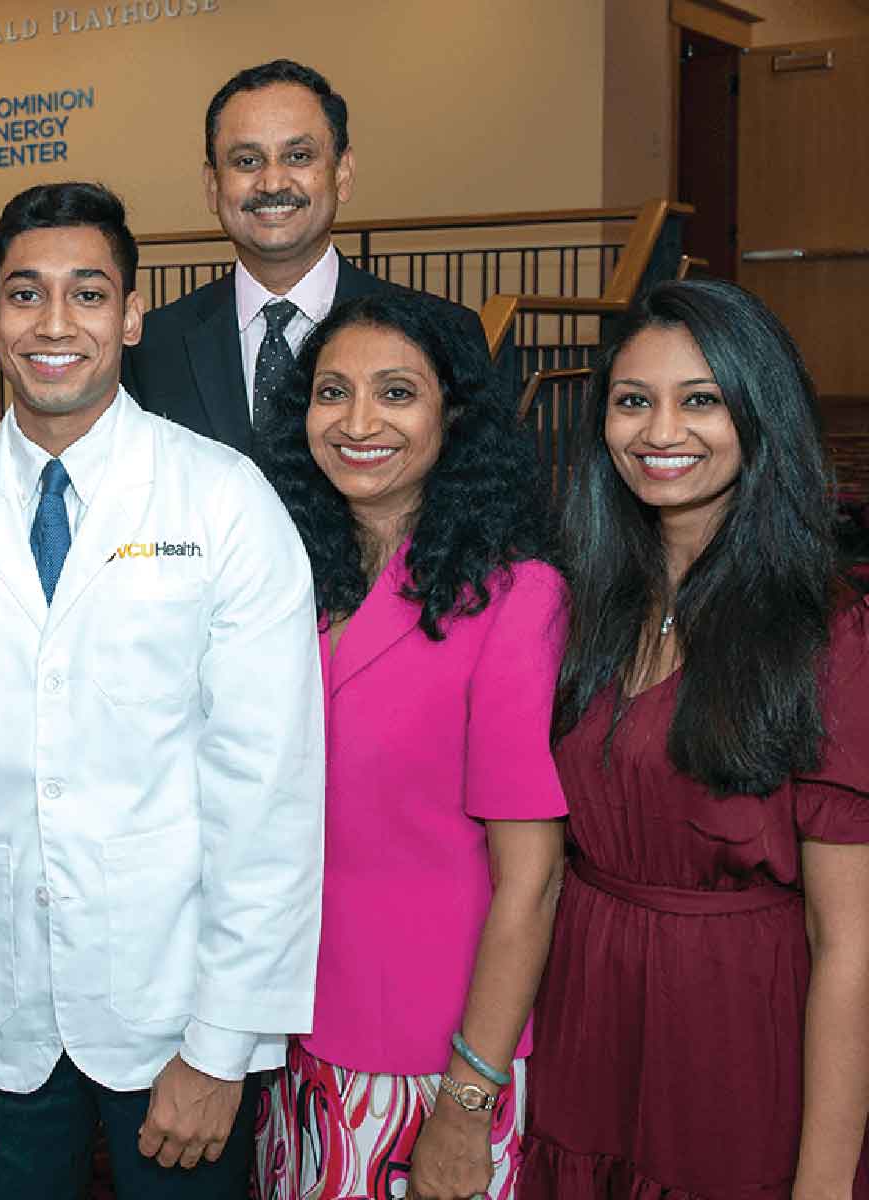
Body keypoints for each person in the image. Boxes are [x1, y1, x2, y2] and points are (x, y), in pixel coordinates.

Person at [0, 181, 324, 1199]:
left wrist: (223, 1041)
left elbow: (269, 794)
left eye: (87, 293)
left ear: (132, 312)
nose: (55, 324)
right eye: (24, 295)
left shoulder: (223, 501)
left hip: (176, 1014)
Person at [522, 279, 869, 1198]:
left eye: (700, 400)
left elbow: (852, 946)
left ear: (759, 413)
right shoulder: (584, 607)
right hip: (585, 1030)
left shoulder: (829, 634)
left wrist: (826, 1183)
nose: (659, 431)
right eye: (633, 401)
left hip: (736, 1050)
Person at [251, 291, 568, 1200]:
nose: (358, 423)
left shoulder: (517, 596)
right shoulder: (283, 577)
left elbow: (532, 879)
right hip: (287, 1038)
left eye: (396, 393)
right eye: (332, 392)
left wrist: (467, 1103)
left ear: (452, 414)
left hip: (430, 1059)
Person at [123, 58, 487, 454]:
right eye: (247, 161)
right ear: (213, 186)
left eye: (298, 156)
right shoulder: (151, 347)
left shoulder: (445, 336)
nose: (273, 182)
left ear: (342, 174)